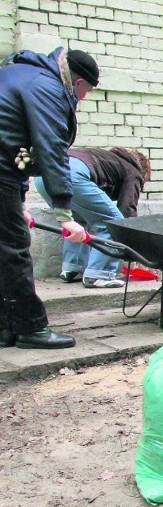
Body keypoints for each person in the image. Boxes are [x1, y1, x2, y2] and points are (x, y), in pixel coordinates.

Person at [0, 46, 99, 349]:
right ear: (79, 83)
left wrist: (18, 203)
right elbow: (52, 149)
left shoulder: (24, 74)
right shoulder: (47, 87)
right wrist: (65, 215)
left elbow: (14, 148)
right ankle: (31, 328)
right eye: (87, 93)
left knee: (4, 251)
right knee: (15, 249)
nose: (82, 100)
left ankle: (5, 329)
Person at [35, 147, 151, 288]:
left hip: (42, 178)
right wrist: (135, 255)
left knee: (77, 220)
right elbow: (127, 211)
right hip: (72, 177)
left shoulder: (107, 159)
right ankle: (98, 274)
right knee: (113, 223)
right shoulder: (133, 170)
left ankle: (72, 268)